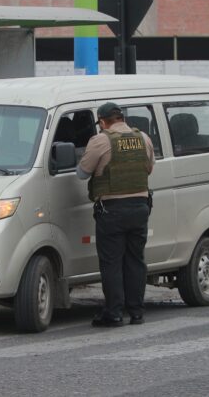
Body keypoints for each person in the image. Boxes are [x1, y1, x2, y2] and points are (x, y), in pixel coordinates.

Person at [76, 102, 155, 328]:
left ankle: (114, 313)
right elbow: (149, 168)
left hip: (112, 211)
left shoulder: (101, 140)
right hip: (140, 208)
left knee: (112, 263)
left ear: (102, 121)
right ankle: (137, 312)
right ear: (122, 118)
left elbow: (82, 173)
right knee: (135, 261)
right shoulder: (143, 138)